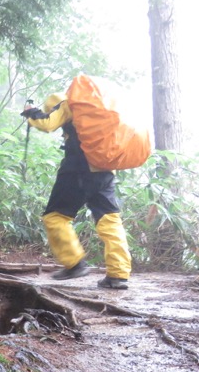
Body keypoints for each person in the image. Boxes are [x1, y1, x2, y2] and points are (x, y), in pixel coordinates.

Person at [22, 93, 131, 289]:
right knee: (110, 219)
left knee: (55, 217)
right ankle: (118, 274)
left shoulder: (66, 105)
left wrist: (32, 113)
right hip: (104, 170)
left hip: (78, 170)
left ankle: (74, 264)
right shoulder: (97, 109)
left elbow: (47, 123)